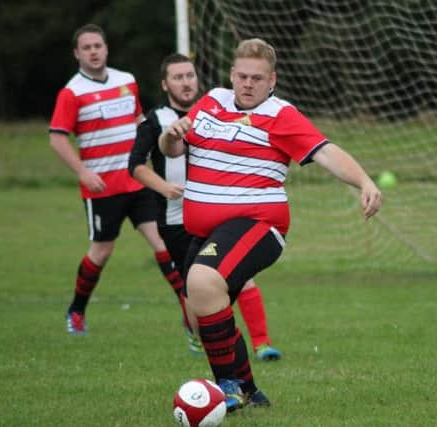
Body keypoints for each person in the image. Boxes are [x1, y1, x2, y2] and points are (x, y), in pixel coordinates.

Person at [158, 38, 382, 412]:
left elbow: (326, 152)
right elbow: (173, 149)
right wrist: (170, 135)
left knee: (202, 282)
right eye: (242, 76)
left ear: (272, 79)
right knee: (200, 312)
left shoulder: (281, 115)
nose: (248, 84)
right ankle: (248, 391)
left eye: (257, 78)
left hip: (258, 225)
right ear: (232, 75)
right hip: (205, 231)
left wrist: (365, 182)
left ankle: (227, 386)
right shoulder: (211, 101)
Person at [128, 53, 282, 360]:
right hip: (176, 220)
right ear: (165, 84)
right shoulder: (156, 119)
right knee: (194, 290)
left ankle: (262, 344)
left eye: (189, 76)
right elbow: (136, 165)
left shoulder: (216, 111)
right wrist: (165, 188)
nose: (186, 83)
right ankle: (207, 340)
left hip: (221, 214)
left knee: (239, 277)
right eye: (177, 77)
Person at [49, 24, 188, 335]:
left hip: (138, 182)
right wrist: (84, 171)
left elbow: (140, 122)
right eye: (86, 48)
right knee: (102, 251)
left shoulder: (127, 81)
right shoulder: (72, 92)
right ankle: (76, 311)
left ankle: (189, 310)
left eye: (98, 45)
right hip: (102, 187)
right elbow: (57, 139)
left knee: (162, 242)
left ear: (106, 48)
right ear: (77, 54)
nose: (94, 52)